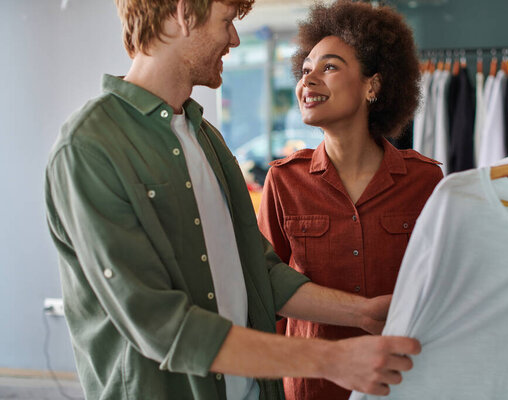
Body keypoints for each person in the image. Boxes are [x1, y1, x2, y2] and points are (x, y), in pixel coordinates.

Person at [44, 0, 422, 399]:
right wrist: (331, 359)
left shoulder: (205, 138)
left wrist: (362, 314)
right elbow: (159, 324)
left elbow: (258, 272)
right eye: (226, 22)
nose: (234, 39)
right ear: (183, 12)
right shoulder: (89, 148)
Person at [257, 1, 444, 399]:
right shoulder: (283, 180)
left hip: (405, 381)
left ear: (372, 85)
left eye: (329, 67)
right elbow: (264, 297)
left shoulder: (426, 180)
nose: (309, 80)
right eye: (305, 70)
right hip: (312, 387)